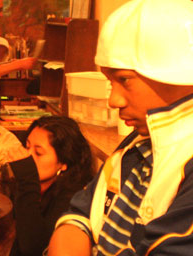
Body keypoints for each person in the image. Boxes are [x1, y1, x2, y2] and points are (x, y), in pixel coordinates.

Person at [47, 0, 193, 255]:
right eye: (109, 81)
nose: (113, 100)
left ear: (177, 74)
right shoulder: (139, 140)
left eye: (124, 79)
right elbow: (83, 211)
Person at [8, 115, 94, 256]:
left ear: (64, 162)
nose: (27, 156)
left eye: (38, 153)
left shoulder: (73, 198)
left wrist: (27, 181)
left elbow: (33, 248)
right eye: (27, 146)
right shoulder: (38, 186)